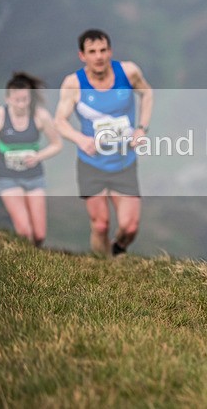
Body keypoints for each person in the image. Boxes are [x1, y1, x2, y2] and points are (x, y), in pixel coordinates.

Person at [54, 29, 153, 257]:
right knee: (100, 225)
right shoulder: (73, 84)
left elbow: (147, 94)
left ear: (110, 51)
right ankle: (103, 269)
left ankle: (117, 249)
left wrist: (142, 127)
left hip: (123, 162)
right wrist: (80, 139)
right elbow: (59, 121)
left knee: (130, 227)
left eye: (103, 50)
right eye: (92, 52)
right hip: (91, 163)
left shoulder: (128, 72)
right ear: (82, 56)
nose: (98, 56)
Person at [0, 73, 63, 247]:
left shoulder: (40, 116)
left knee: (39, 234)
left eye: (25, 99)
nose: (22, 104)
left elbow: (57, 144)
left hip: (34, 177)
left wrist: (38, 156)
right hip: (7, 177)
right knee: (24, 231)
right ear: (7, 98)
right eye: (17, 100)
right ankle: (28, 267)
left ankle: (34, 255)